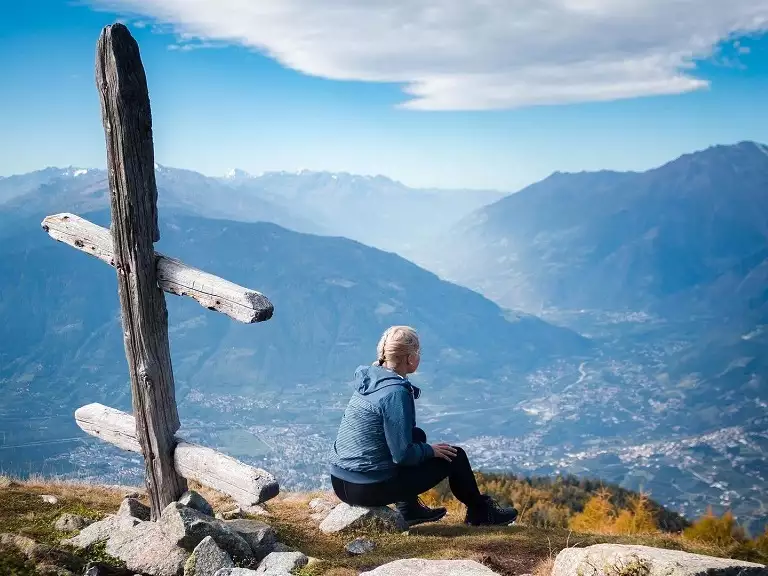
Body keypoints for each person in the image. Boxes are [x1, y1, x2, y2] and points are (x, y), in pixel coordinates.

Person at [329, 325, 519, 527]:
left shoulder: (371, 378)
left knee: (416, 435)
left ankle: (409, 509)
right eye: (418, 352)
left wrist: (423, 448)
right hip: (365, 488)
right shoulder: (395, 393)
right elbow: (402, 455)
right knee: (455, 457)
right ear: (410, 358)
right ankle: (481, 513)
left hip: (340, 481)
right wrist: (430, 451)